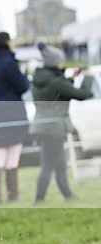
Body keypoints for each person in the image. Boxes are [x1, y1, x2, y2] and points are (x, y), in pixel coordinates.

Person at [30, 42, 94, 203]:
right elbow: (82, 94)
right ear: (54, 63)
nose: (62, 63)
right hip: (54, 128)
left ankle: (68, 195)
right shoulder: (56, 81)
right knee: (48, 165)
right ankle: (39, 199)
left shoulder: (41, 77)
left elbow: (57, 94)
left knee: (60, 164)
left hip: (43, 126)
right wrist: (88, 77)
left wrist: (71, 79)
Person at [0, 32, 30, 203]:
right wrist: (25, 75)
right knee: (12, 156)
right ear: (6, 42)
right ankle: (13, 196)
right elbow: (22, 86)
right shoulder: (9, 62)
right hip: (13, 112)